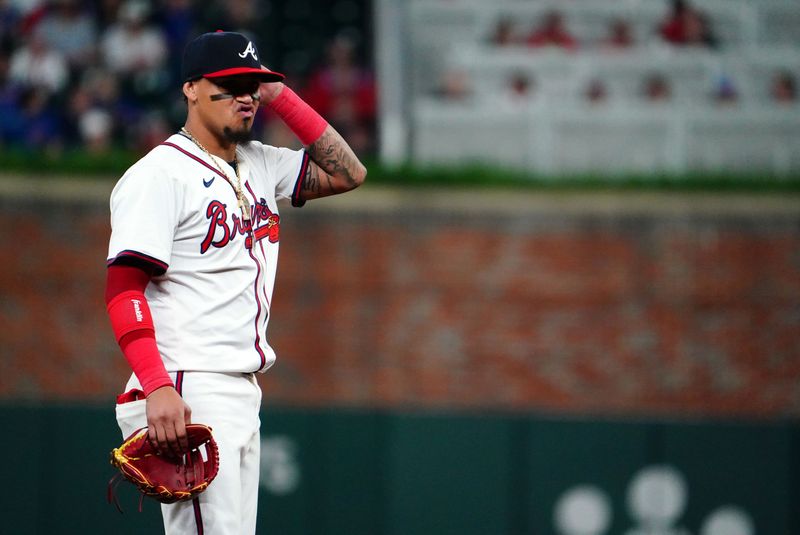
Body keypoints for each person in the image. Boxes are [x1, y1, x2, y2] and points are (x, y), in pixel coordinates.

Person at [105, 30, 366, 535]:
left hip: (241, 387)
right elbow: (123, 290)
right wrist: (158, 386)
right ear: (191, 89)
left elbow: (349, 172)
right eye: (231, 84)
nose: (246, 95)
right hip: (188, 383)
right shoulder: (159, 175)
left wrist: (279, 93)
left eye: (253, 85)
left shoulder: (261, 164)